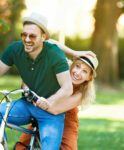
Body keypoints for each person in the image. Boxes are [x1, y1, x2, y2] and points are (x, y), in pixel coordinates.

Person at [0, 12, 74, 150]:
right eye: (24, 35)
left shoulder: (55, 54)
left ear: (43, 37)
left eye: (32, 35)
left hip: (51, 111)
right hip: (26, 105)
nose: (27, 39)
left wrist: (49, 102)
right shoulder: (15, 49)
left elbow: (67, 88)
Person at [15, 43, 99, 150]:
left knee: (68, 148)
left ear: (89, 77)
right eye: (77, 66)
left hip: (66, 121)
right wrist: (73, 52)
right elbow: (47, 43)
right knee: (22, 146)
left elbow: (55, 110)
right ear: (73, 65)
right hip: (42, 109)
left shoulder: (82, 93)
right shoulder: (63, 68)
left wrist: (36, 100)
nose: (77, 73)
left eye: (84, 71)